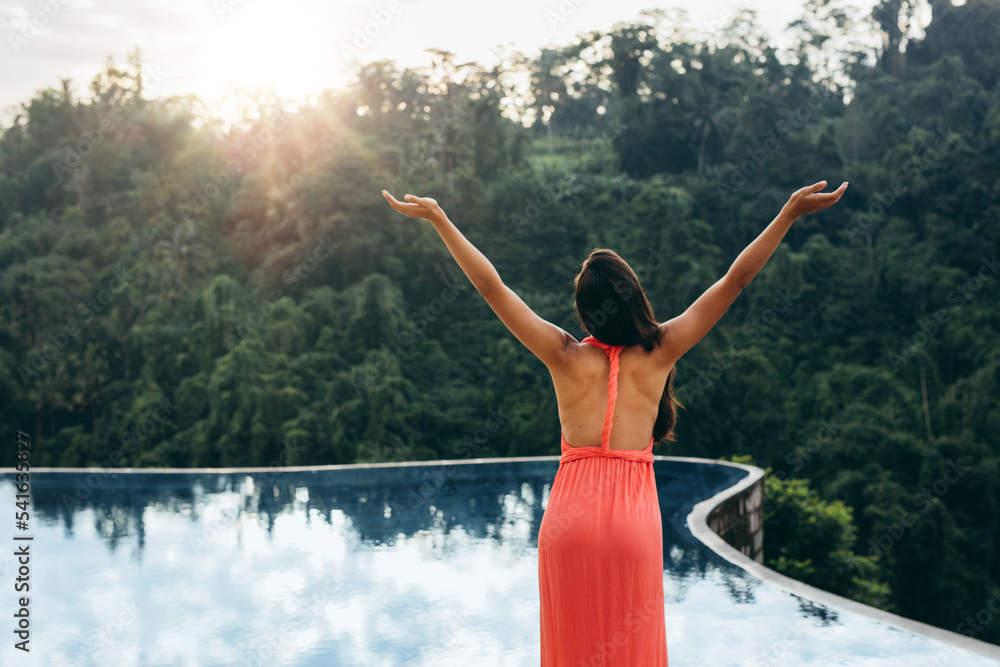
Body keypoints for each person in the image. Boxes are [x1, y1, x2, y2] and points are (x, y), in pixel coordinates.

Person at [382, 179, 848, 665]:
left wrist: (440, 219)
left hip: (568, 524)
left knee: (574, 648)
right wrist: (788, 213)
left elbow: (490, 286)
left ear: (586, 310)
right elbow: (735, 280)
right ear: (635, 299)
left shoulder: (562, 355)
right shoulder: (661, 351)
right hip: (633, 524)